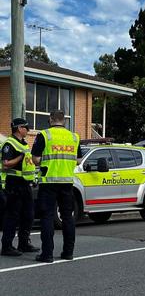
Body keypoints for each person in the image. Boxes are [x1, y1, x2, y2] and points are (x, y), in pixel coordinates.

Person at [31, 110, 82, 263]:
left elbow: (35, 159)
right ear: (64, 121)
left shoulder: (44, 135)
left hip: (48, 182)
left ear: (50, 119)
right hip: (67, 183)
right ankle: (68, 253)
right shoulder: (74, 137)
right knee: (67, 217)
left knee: (47, 217)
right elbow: (79, 161)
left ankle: (47, 254)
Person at [1, 118, 40, 256]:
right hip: (14, 184)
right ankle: (6, 246)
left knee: (28, 215)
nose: (28, 130)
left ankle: (24, 243)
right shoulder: (9, 144)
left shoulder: (24, 144)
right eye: (26, 127)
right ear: (19, 128)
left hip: (25, 184)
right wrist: (20, 158)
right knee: (12, 216)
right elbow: (6, 163)